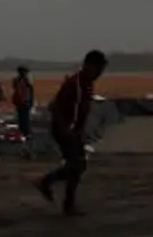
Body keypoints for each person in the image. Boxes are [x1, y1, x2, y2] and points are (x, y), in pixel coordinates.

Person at [36, 50, 107, 216]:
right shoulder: (74, 83)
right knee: (76, 165)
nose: (99, 74)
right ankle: (49, 186)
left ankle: (60, 195)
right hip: (65, 130)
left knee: (78, 166)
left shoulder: (86, 84)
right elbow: (54, 106)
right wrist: (65, 130)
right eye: (98, 69)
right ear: (89, 66)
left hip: (74, 130)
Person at [12, 66, 35, 142]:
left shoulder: (27, 81)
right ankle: (23, 132)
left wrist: (31, 100)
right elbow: (16, 90)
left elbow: (31, 91)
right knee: (22, 117)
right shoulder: (17, 80)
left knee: (25, 117)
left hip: (25, 101)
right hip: (20, 101)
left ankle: (26, 132)